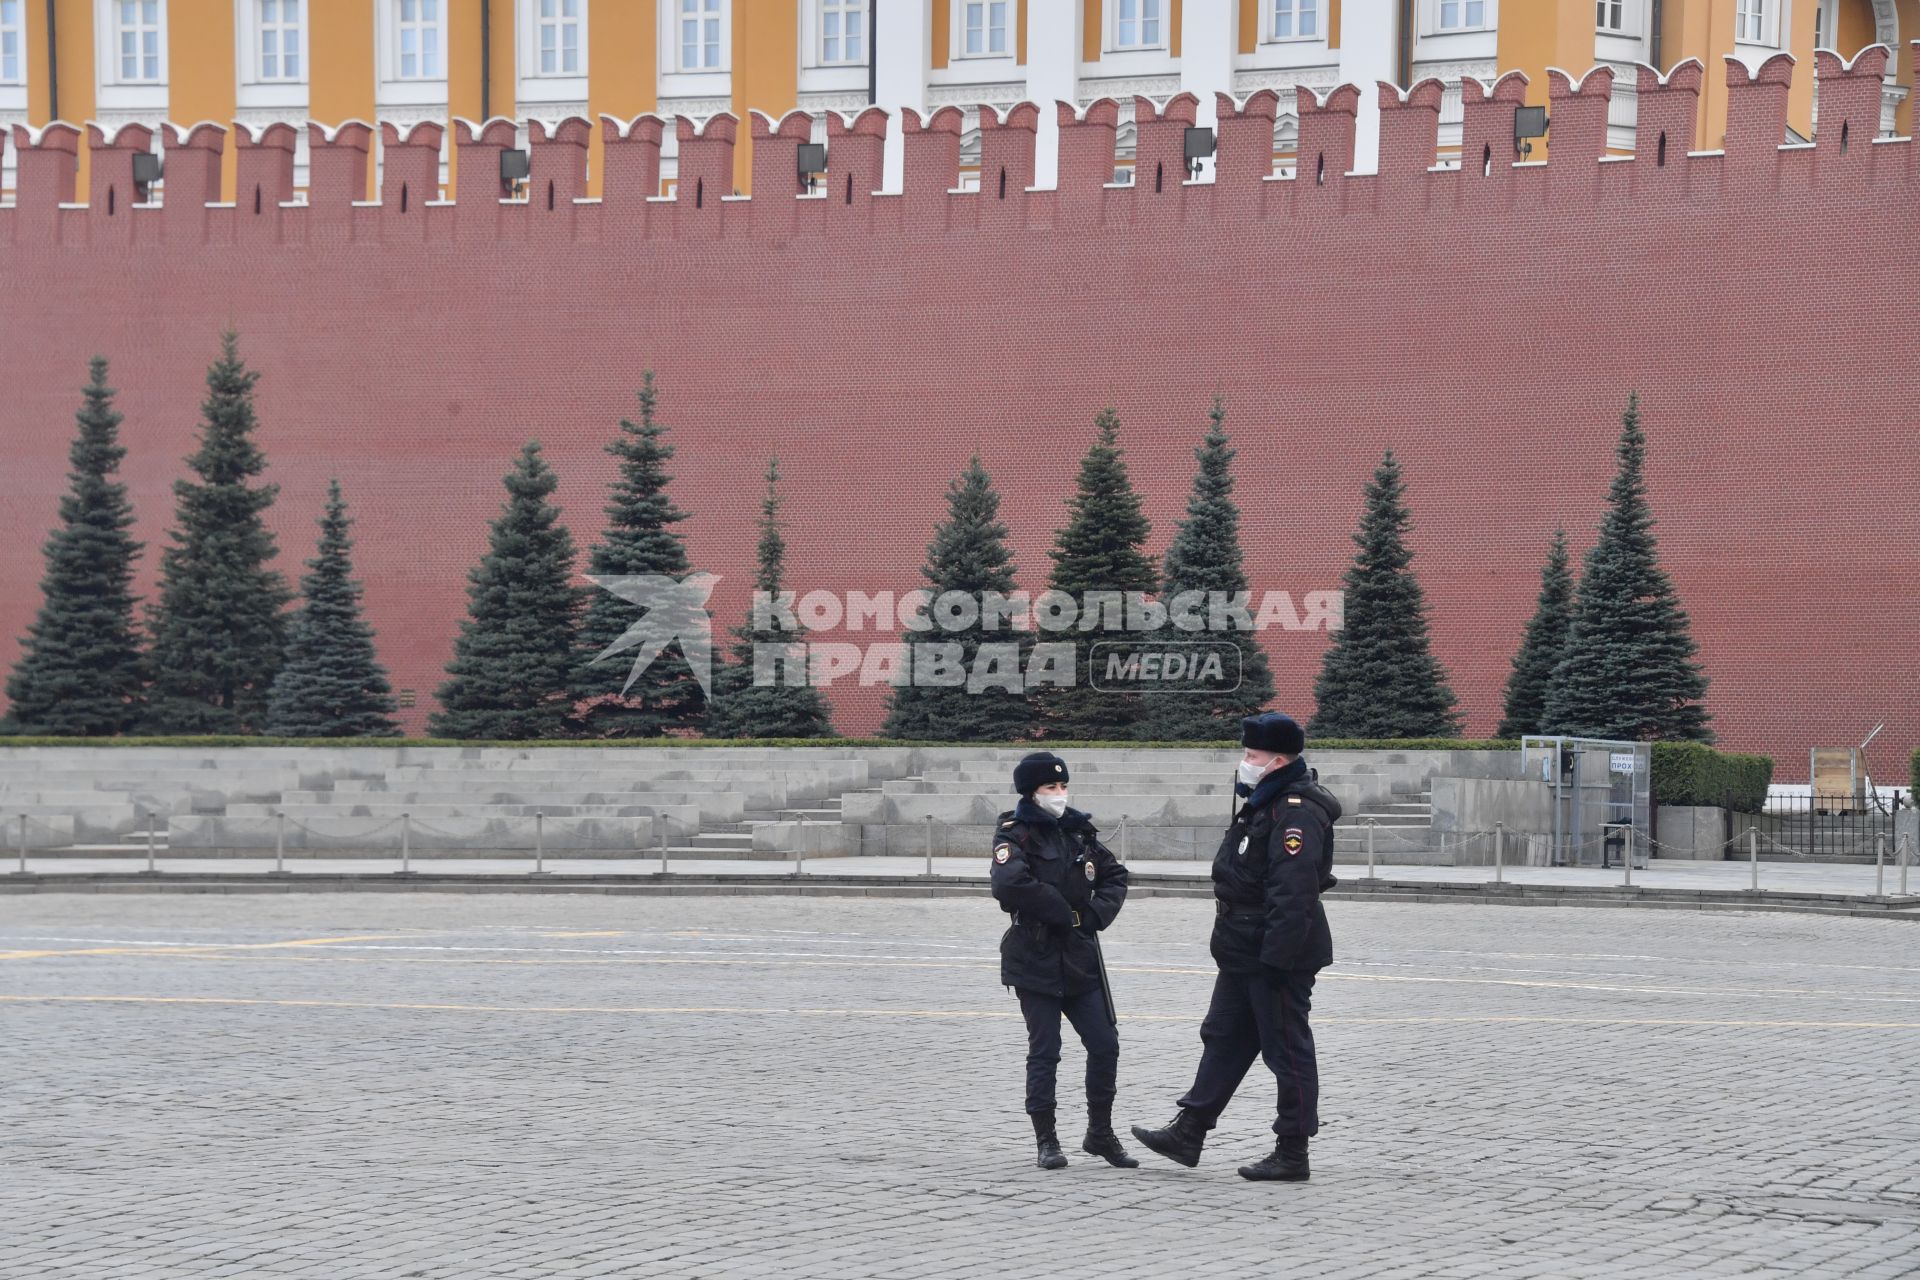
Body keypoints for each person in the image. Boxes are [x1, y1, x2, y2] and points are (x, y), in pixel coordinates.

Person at [1131, 712, 1342, 1182]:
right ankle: (1190, 1130)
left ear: (1278, 760)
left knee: (1287, 1050)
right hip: (1243, 948)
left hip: (1275, 953)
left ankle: (1292, 1150)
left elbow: (1294, 894)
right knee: (1224, 1036)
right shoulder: (1263, 801)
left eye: (1251, 755)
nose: (1243, 763)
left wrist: (1276, 959)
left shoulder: (1295, 810)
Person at [989, 750, 1135, 1170]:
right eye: (1050, 787)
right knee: (1045, 1050)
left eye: (1063, 785)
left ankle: (1100, 1133)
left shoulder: (1078, 832)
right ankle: (1047, 1139)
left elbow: (1115, 875)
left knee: (1105, 1044)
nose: (1059, 793)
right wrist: (1061, 911)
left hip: (1078, 955)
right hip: (1034, 952)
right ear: (1031, 792)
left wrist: (1093, 915)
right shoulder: (1014, 834)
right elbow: (1010, 883)